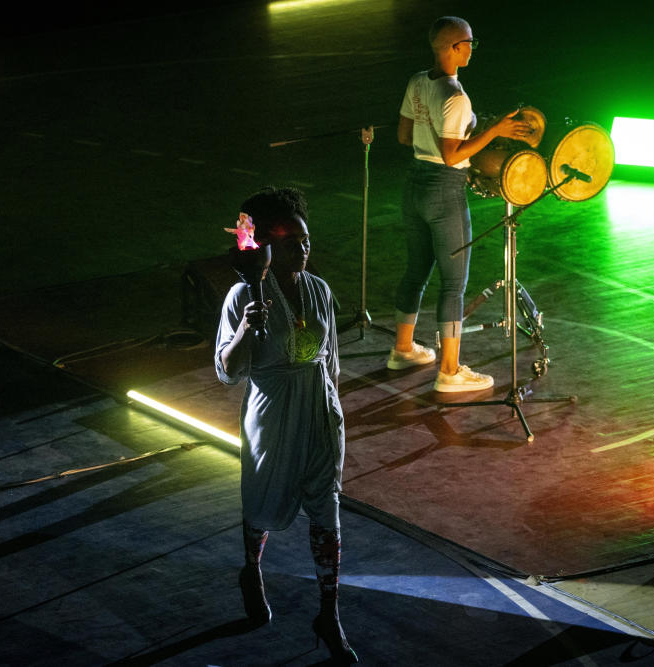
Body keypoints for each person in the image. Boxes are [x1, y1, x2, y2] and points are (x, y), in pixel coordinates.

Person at [215, 186, 358, 664]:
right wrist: (242, 332)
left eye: (306, 239)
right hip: (273, 417)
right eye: (292, 241)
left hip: (318, 412)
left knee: (327, 512)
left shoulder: (319, 291)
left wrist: (335, 414)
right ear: (267, 247)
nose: (303, 249)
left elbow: (331, 360)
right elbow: (227, 371)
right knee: (262, 505)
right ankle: (251, 570)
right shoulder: (243, 295)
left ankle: (329, 613)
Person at [390, 16, 533, 391]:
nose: (473, 48)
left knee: (416, 270)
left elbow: (405, 135)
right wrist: (495, 131)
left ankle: (402, 349)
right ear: (454, 47)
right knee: (453, 284)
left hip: (415, 184)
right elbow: (453, 156)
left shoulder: (417, 82)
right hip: (444, 190)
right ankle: (450, 372)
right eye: (470, 42)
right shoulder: (455, 97)